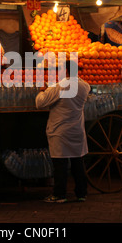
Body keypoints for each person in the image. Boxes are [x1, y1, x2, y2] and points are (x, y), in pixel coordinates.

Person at [35, 59, 91, 203]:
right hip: (76, 130)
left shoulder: (61, 87)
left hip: (60, 130)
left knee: (60, 164)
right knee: (78, 161)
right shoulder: (85, 86)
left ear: (66, 71)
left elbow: (40, 103)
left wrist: (42, 90)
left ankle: (59, 194)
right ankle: (81, 193)